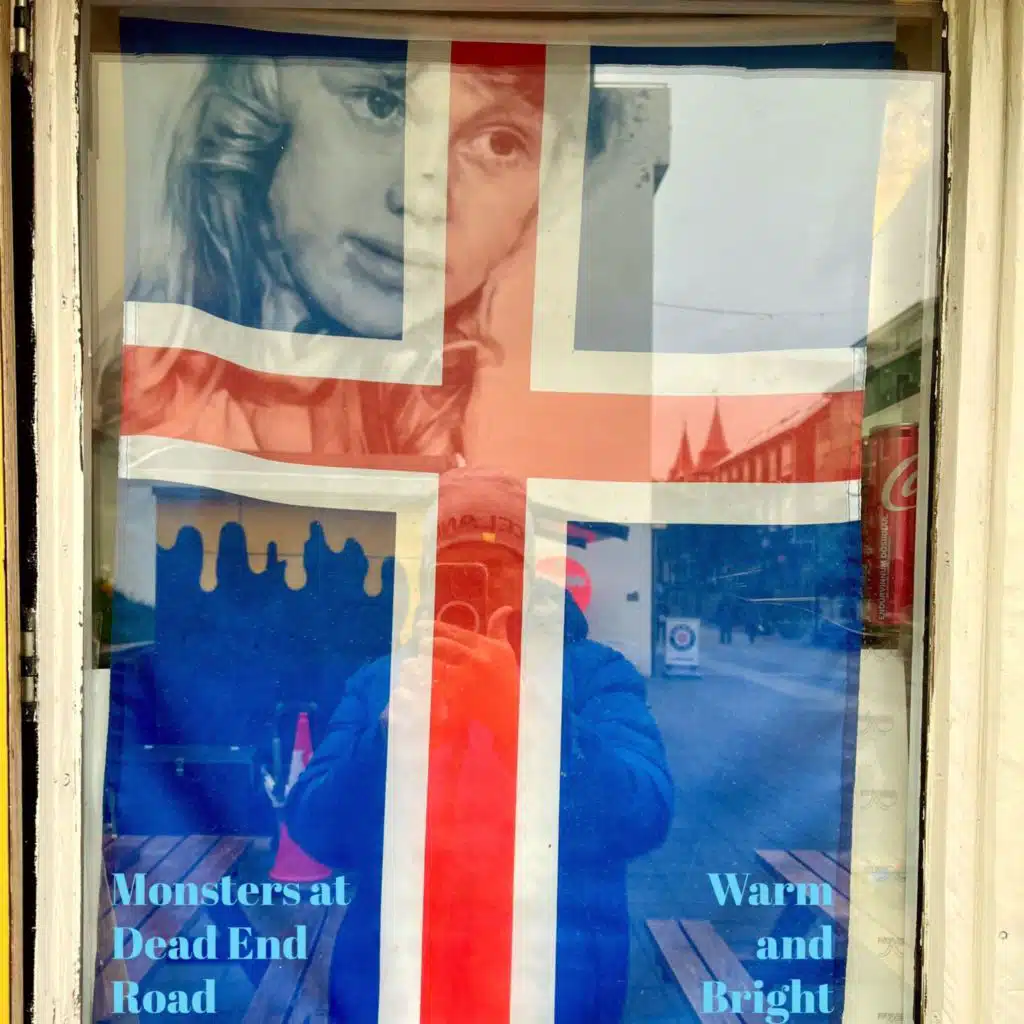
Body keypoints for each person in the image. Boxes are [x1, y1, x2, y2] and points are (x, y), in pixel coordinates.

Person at [286, 469, 674, 1023]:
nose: (477, 587)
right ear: (428, 578)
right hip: (401, 986)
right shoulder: (384, 680)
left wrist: (528, 718)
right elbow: (313, 828)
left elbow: (646, 813)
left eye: (496, 568)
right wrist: (384, 743)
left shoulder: (592, 674)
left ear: (530, 576)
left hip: (549, 987)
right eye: (457, 570)